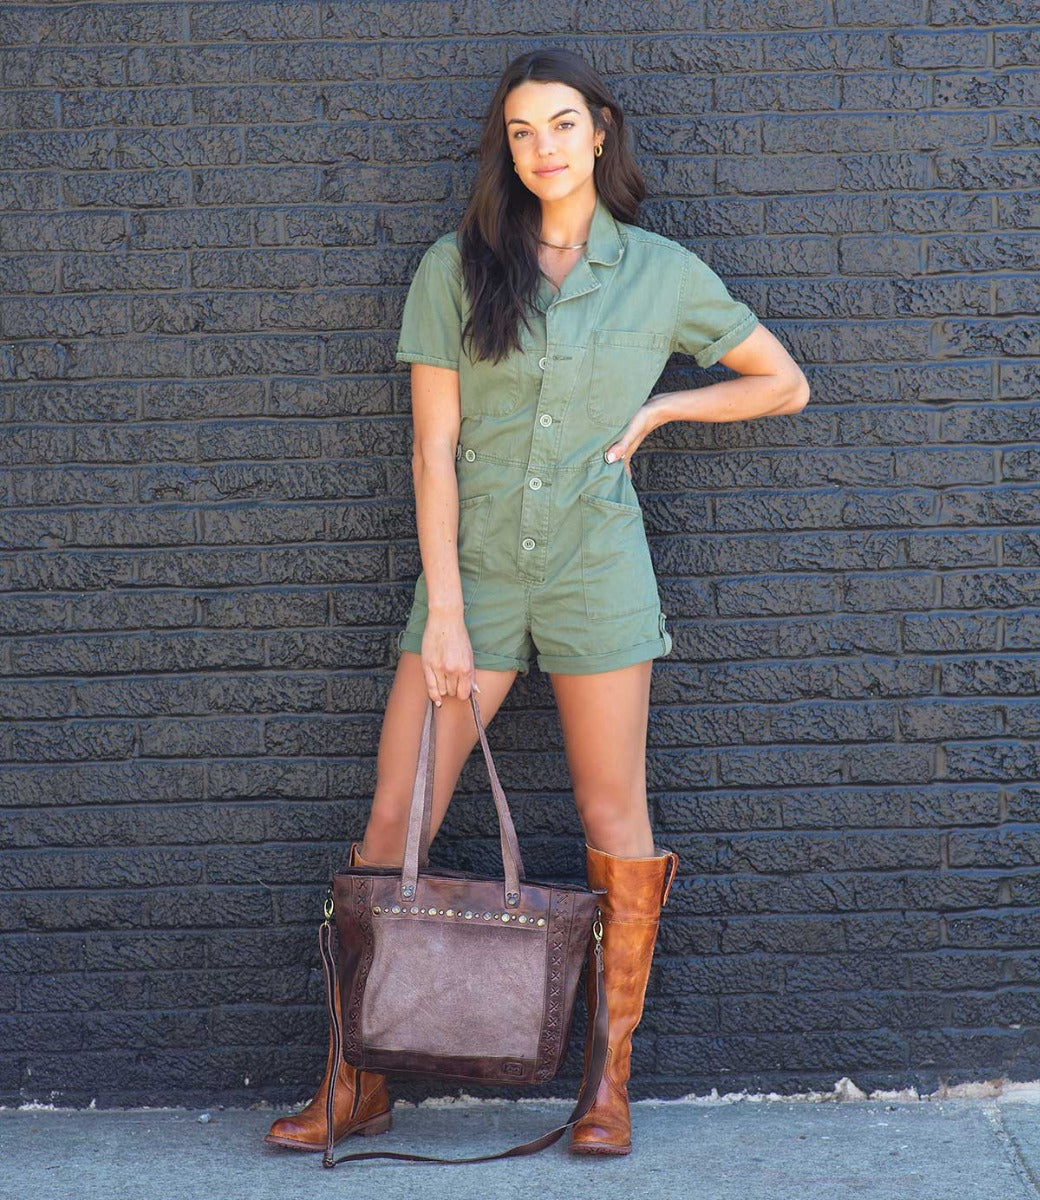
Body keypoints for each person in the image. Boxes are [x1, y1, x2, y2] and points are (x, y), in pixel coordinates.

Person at [264, 46, 809, 1158]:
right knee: (392, 821)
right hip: (474, 578)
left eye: (561, 125)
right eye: (520, 131)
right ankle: (354, 1077)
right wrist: (450, 613)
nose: (543, 147)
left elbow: (782, 381)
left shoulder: (660, 273)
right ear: (504, 149)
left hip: (596, 573)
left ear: (599, 132)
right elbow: (431, 449)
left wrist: (662, 411)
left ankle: (604, 1084)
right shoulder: (455, 270)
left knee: (617, 825)